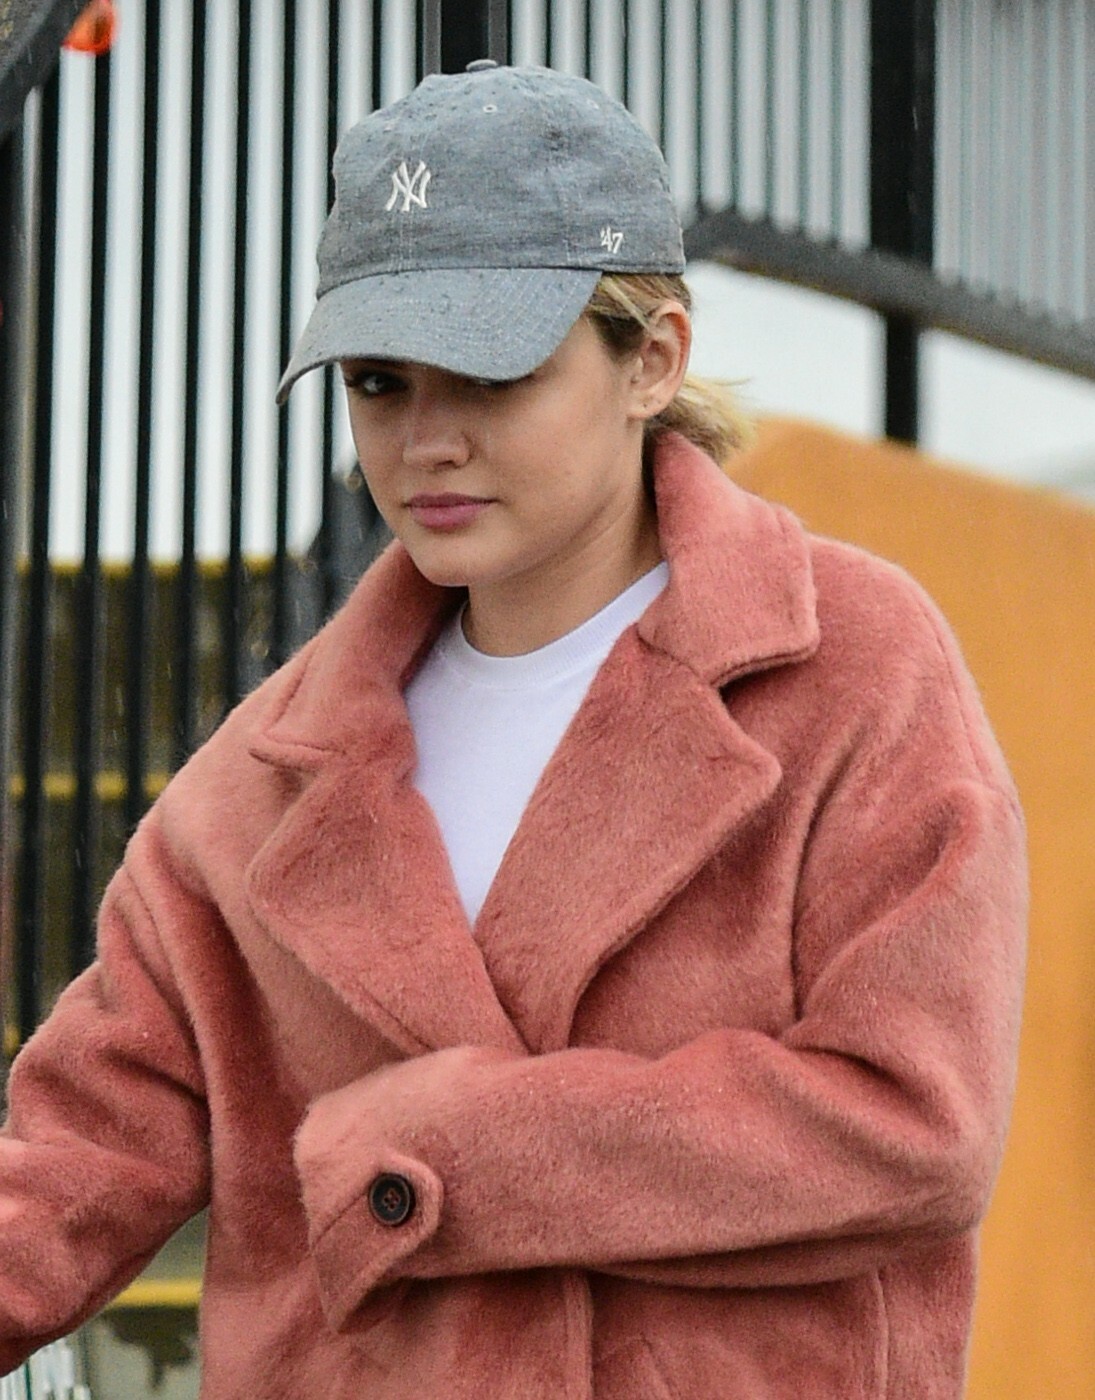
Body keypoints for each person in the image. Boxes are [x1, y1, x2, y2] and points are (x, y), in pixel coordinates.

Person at [0, 63, 1026, 1399]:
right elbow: (73, 1157)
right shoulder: (258, 783)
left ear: (653, 358)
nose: (426, 441)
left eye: (489, 373)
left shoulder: (854, 666)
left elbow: (914, 1121)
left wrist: (445, 1150)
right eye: (380, 383)